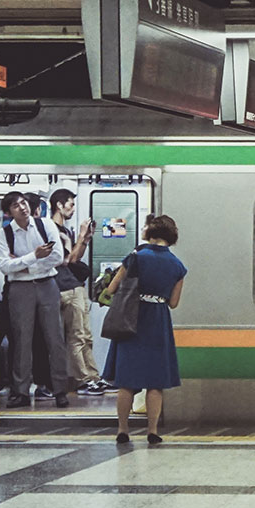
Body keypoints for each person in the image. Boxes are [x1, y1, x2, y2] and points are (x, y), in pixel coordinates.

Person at [100, 214, 186, 446]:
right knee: (155, 382)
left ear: (150, 233)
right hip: (158, 320)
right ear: (171, 236)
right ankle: (153, 430)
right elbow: (173, 302)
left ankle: (122, 429)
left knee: (126, 381)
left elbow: (112, 287)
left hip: (132, 318)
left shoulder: (136, 257)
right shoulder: (178, 266)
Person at [0, 191, 70, 408]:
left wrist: (24, 265)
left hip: (47, 285)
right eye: (16, 206)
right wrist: (34, 256)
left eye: (23, 203)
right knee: (21, 340)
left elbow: (57, 257)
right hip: (20, 289)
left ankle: (60, 390)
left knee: (55, 338)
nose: (23, 208)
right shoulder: (3, 234)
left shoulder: (45, 225)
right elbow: (5, 266)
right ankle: (21, 391)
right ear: (8, 212)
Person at [49, 188, 106, 398]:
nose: (73, 209)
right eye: (70, 204)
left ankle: (94, 376)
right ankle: (82, 380)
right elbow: (67, 260)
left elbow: (76, 256)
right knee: (76, 336)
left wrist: (85, 238)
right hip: (64, 287)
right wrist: (81, 236)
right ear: (59, 205)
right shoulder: (51, 230)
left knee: (86, 335)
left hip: (75, 285)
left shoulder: (66, 230)